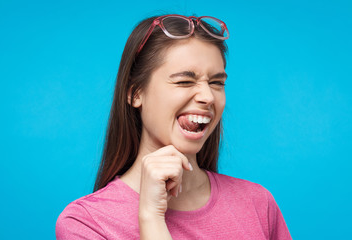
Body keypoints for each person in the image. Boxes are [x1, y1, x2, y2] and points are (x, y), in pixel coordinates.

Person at [56, 14, 292, 239]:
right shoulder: (86, 223)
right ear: (135, 93)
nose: (208, 97)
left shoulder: (258, 203)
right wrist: (150, 217)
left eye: (216, 82)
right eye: (184, 81)